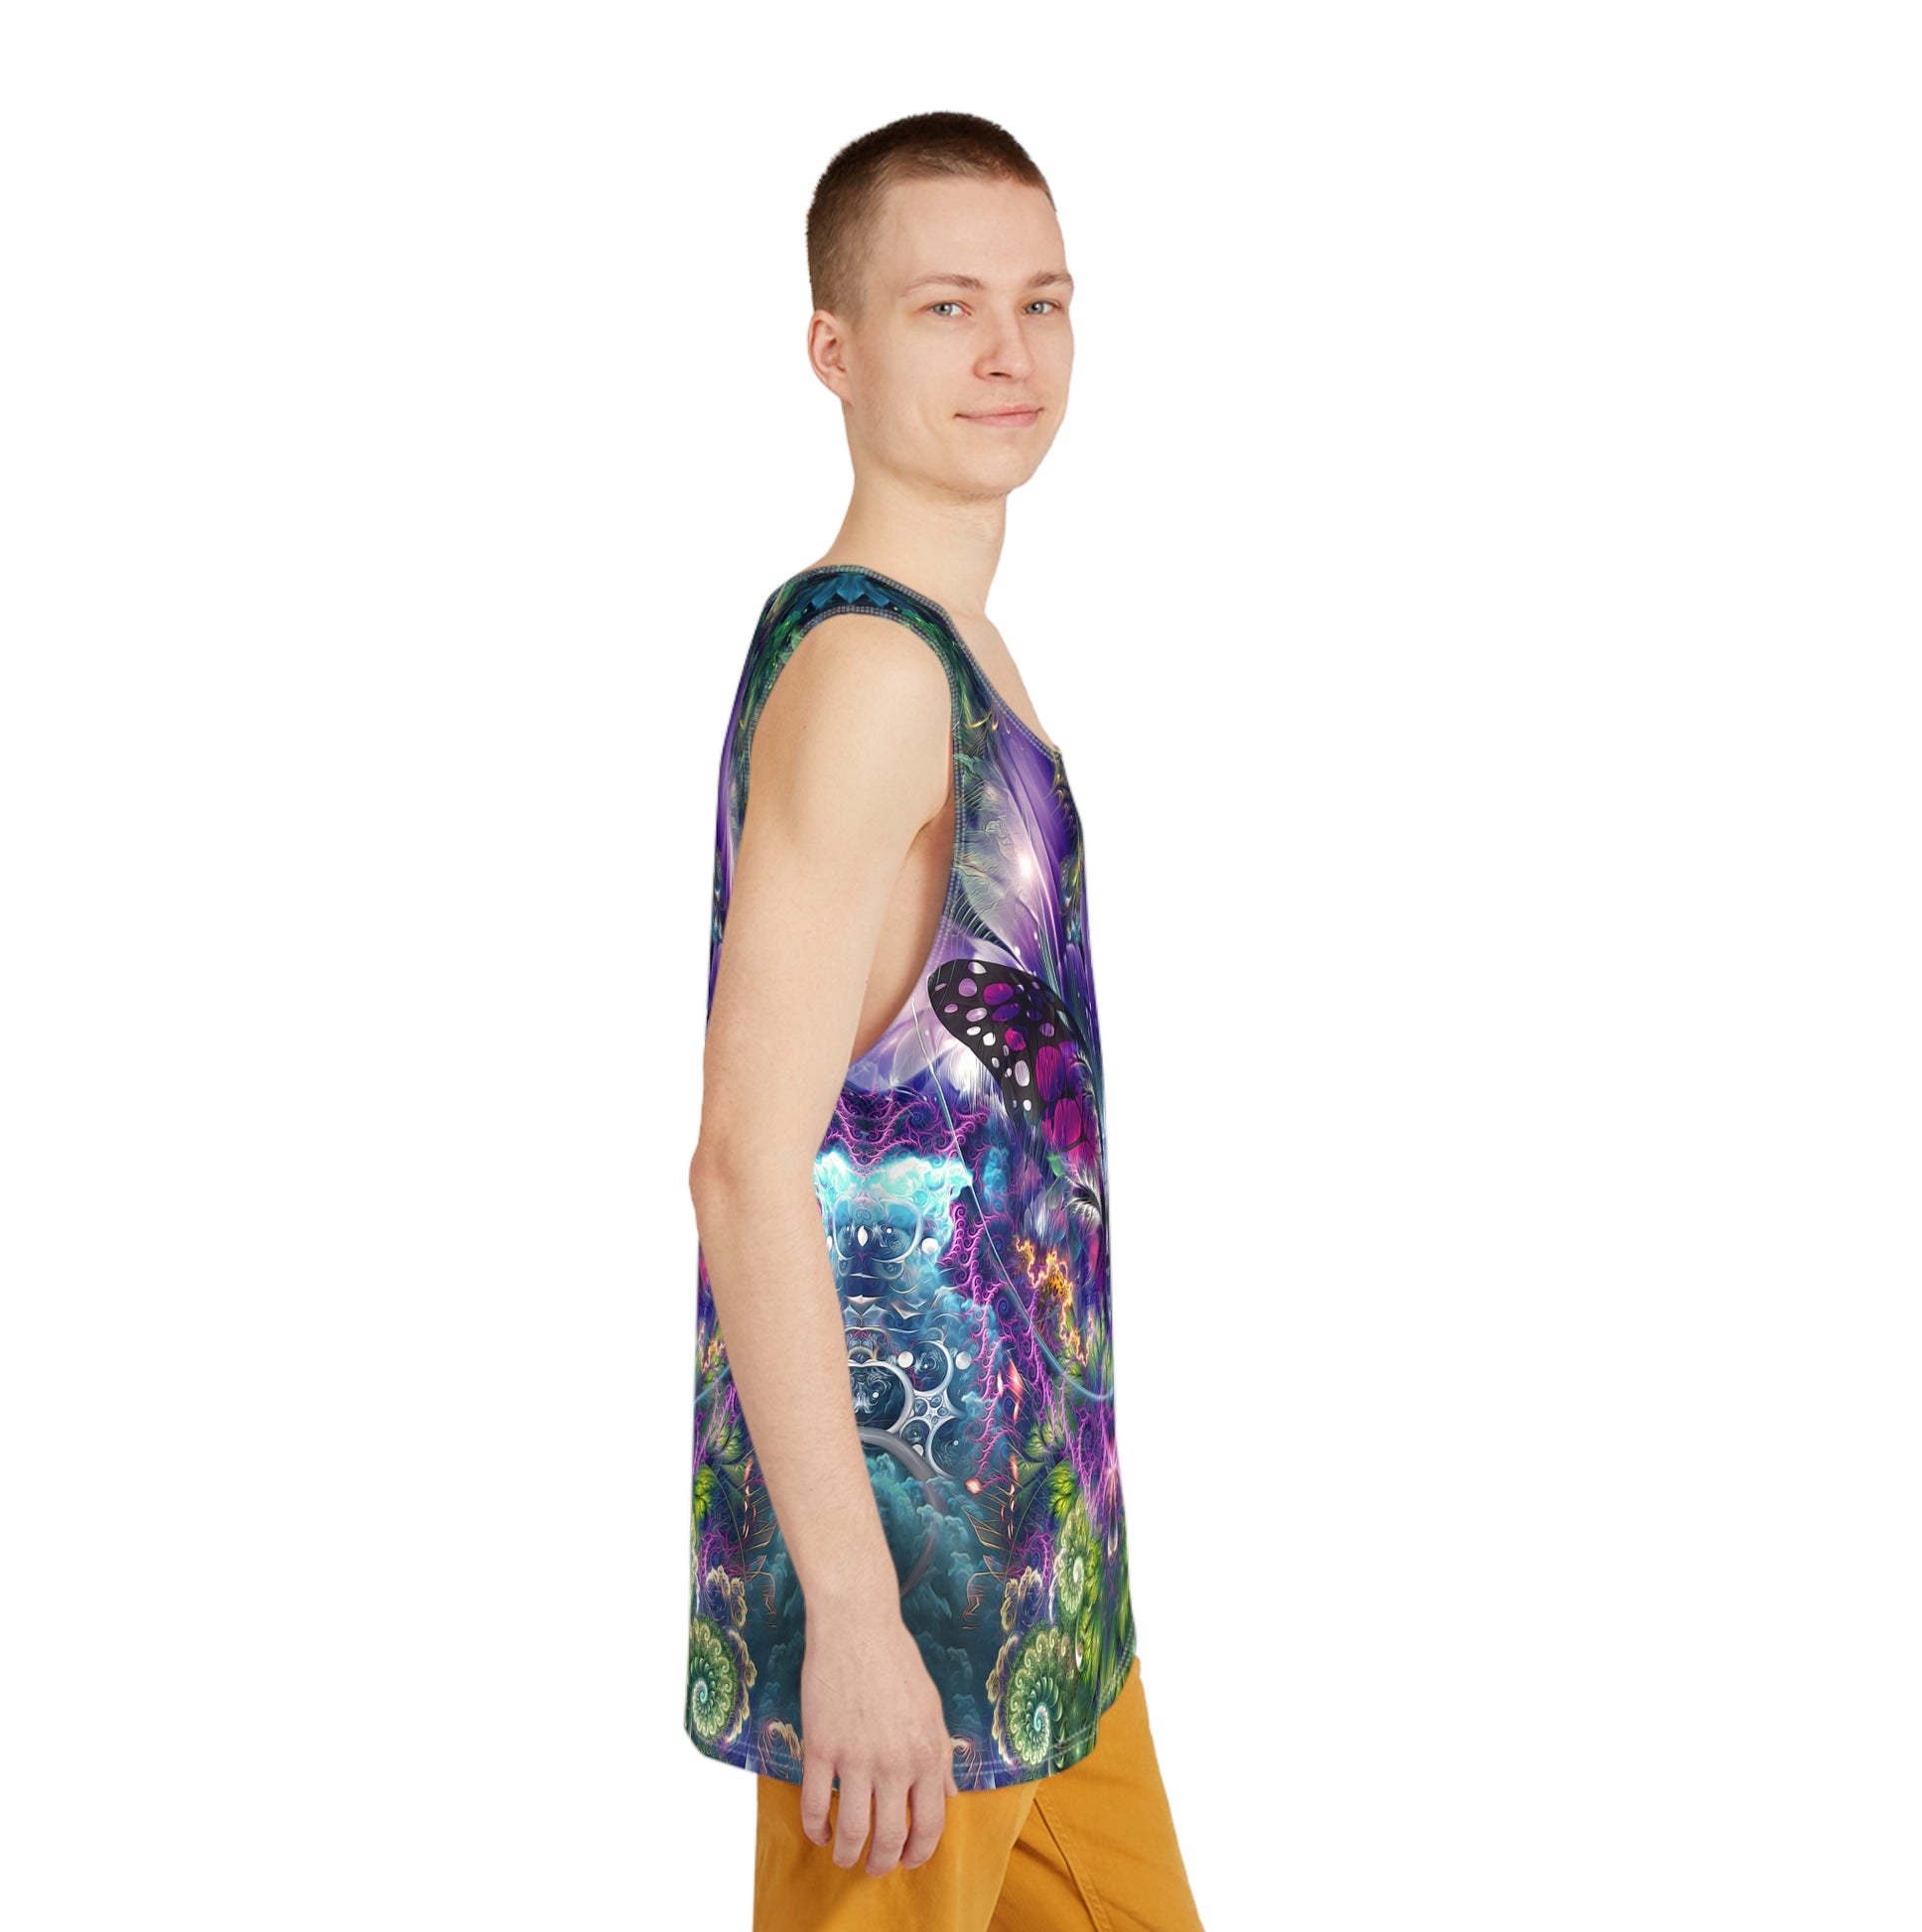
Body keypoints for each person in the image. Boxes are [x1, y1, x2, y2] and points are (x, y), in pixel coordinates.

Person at [684, 111, 1205, 1930]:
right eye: (945, 306)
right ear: (832, 349)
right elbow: (741, 1162)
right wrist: (851, 1612)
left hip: (1043, 1584)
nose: (1008, 350)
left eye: (1040, 301)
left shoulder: (958, 645)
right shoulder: (872, 674)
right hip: (912, 1613)